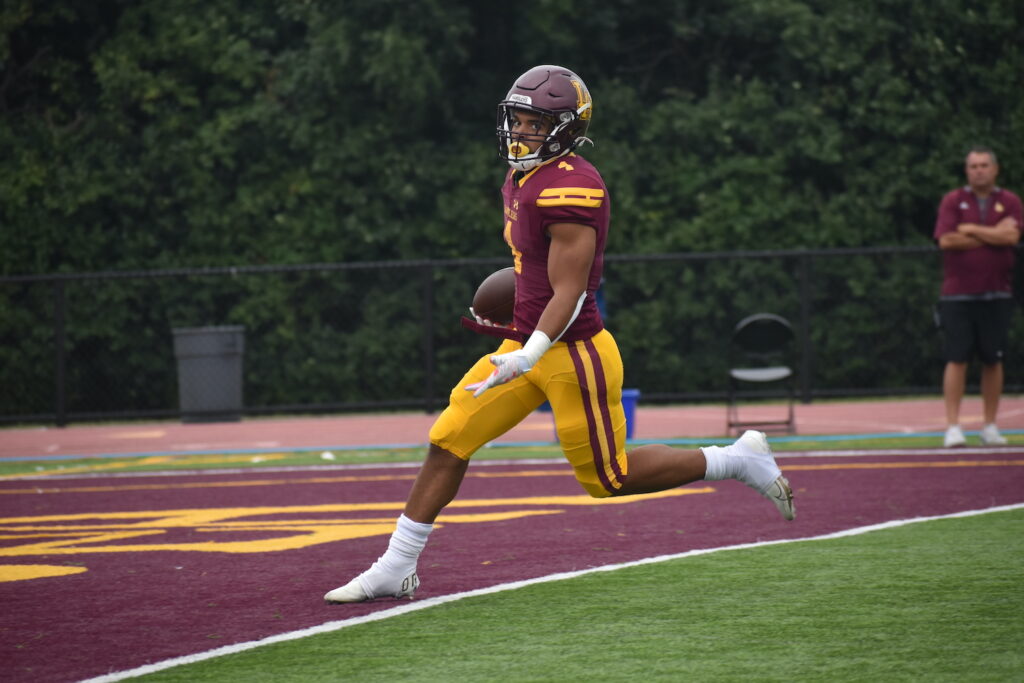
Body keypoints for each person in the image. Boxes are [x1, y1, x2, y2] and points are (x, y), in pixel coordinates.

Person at [324, 65, 795, 604]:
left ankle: (738, 458)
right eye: (517, 120)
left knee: (609, 478)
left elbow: (570, 292)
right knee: (448, 440)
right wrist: (513, 322)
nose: (520, 132)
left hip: (574, 354)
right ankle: (397, 566)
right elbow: (533, 269)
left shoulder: (573, 188)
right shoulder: (521, 177)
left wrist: (530, 352)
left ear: (567, 129)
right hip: (525, 345)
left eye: (534, 124)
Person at [933, 146, 1022, 447]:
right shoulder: (953, 200)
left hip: (997, 292)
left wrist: (971, 229)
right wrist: (992, 233)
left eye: (984, 165)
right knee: (956, 358)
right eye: (973, 166)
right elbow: (947, 240)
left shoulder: (1009, 201)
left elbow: (1011, 237)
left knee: (993, 360)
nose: (979, 170)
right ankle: (953, 427)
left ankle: (990, 426)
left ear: (995, 169)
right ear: (966, 170)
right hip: (958, 294)